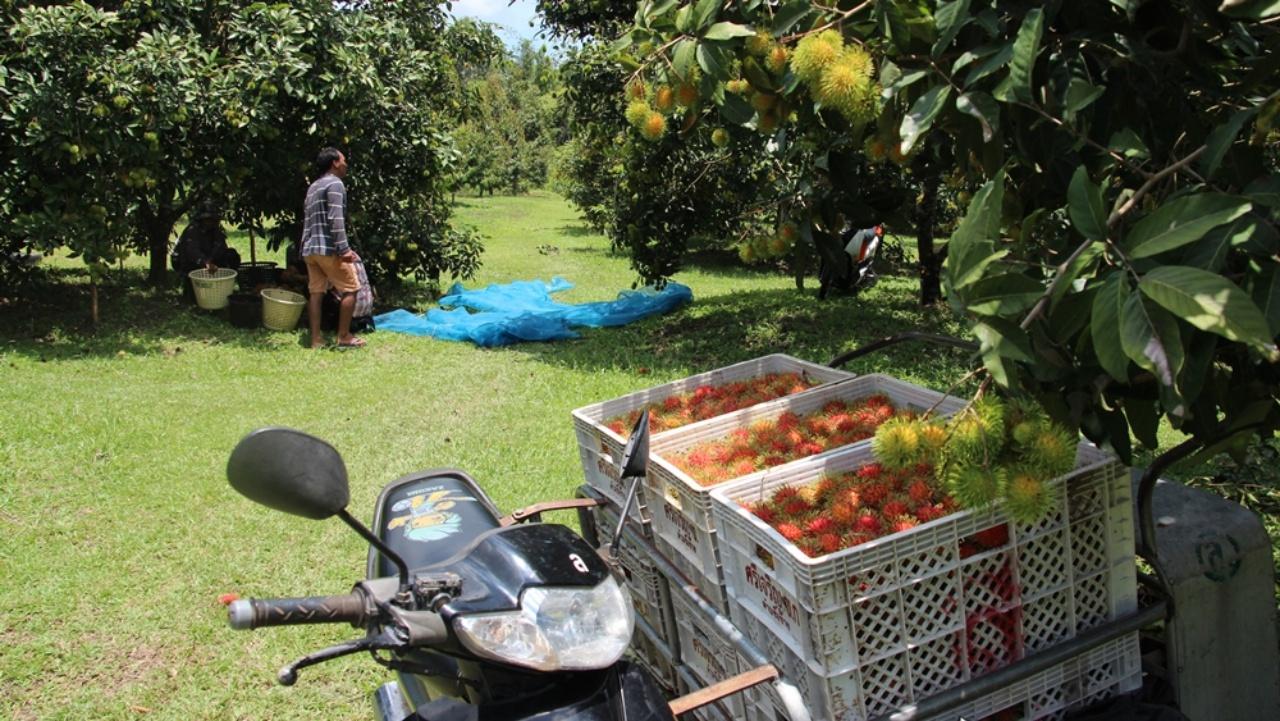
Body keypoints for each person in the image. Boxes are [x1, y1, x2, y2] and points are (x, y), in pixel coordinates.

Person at [300, 147, 364, 349]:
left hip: (310, 249)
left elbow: (309, 221)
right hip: (327, 249)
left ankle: (316, 340)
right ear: (335, 163)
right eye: (343, 160)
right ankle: (344, 336)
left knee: (316, 293)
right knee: (351, 288)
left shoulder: (314, 187)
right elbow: (336, 219)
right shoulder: (335, 184)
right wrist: (344, 250)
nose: (346, 164)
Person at [171, 202, 240, 302]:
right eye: (209, 219)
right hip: (188, 262)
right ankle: (191, 289)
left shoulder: (215, 230)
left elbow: (221, 246)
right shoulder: (192, 230)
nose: (212, 222)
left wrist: (213, 260)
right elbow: (192, 251)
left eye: (214, 219)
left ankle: (224, 286)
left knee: (231, 255)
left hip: (208, 259)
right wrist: (205, 262)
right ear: (202, 219)